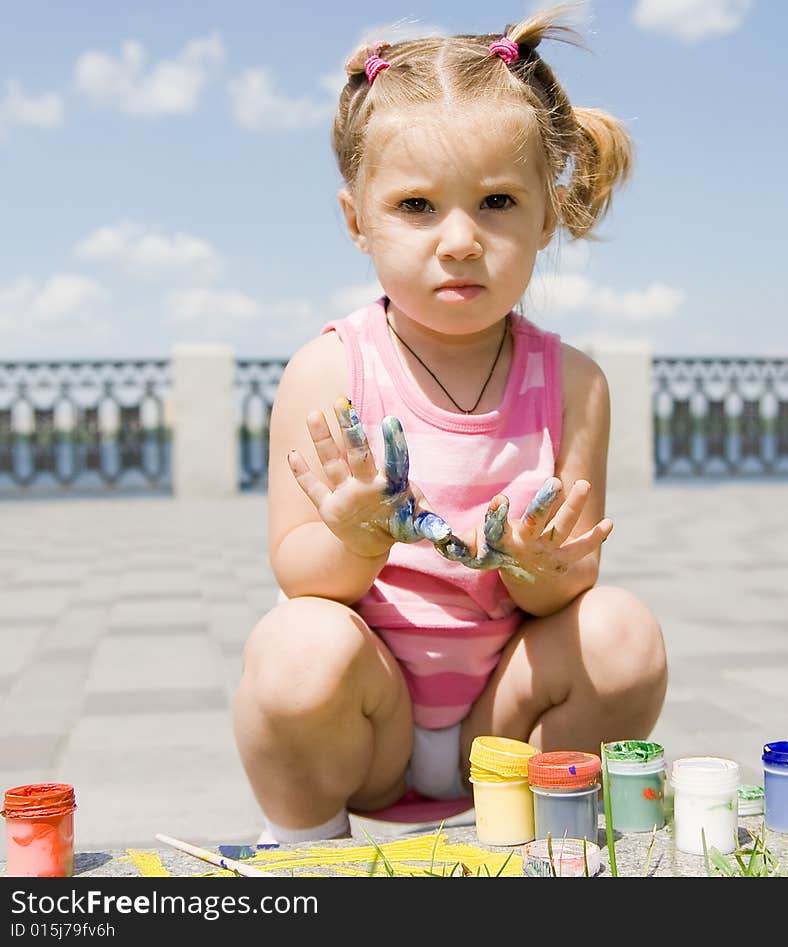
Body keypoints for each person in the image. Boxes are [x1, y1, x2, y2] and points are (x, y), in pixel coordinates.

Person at [233, 3, 668, 845]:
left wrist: (537, 565)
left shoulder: (572, 382)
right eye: (418, 206)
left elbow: (565, 591)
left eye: (498, 201)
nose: (461, 240)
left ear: (548, 214)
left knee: (621, 632)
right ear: (358, 221)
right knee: (294, 645)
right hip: (371, 725)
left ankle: (553, 837)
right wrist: (356, 535)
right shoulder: (329, 371)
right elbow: (302, 578)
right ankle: (310, 855)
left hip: (502, 724)